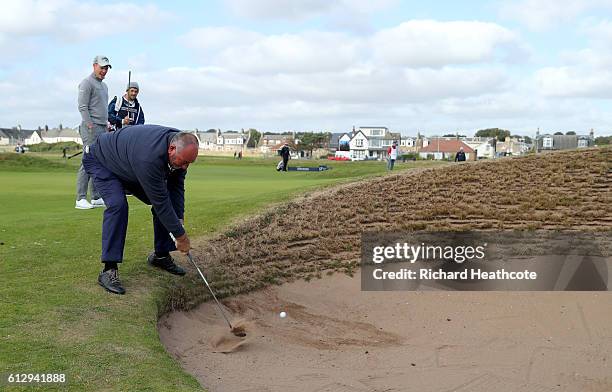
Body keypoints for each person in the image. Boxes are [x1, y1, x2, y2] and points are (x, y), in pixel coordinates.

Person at [82, 124, 199, 295]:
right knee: (118, 205)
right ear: (171, 149)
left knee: (168, 207)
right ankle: (108, 270)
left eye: (190, 163)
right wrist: (180, 236)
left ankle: (160, 256)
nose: (185, 167)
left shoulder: (181, 148)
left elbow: (176, 187)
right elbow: (161, 202)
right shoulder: (149, 158)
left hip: (128, 164)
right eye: (184, 162)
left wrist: (179, 218)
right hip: (101, 161)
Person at [76, 55, 111, 210]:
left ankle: (96, 196)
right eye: (102, 67)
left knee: (99, 162)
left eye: (106, 68)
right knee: (87, 161)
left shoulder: (104, 86)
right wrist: (90, 124)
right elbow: (82, 106)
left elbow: (102, 108)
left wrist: (107, 123)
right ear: (94, 66)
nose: (104, 71)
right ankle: (80, 198)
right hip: (90, 128)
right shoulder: (86, 83)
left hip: (102, 127)